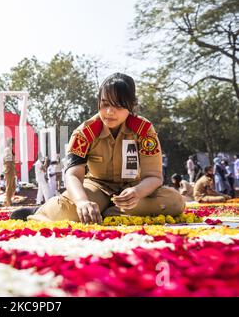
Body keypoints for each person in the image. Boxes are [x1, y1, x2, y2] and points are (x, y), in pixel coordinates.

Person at [11, 72, 184, 223]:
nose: (109, 112)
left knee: (175, 202)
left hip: (133, 190)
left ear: (131, 106)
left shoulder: (144, 130)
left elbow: (154, 177)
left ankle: (108, 213)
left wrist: (137, 192)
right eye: (105, 104)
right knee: (66, 211)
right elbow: (72, 175)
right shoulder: (85, 131)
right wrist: (81, 202)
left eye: (118, 105)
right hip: (96, 188)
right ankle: (41, 212)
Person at [3, 138, 17, 206]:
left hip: (12, 170)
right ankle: (8, 202)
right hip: (9, 170)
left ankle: (7, 200)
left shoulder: (10, 150)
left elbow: (11, 160)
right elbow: (7, 160)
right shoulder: (7, 150)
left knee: (13, 186)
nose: (14, 144)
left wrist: (15, 162)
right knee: (9, 186)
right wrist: (9, 168)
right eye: (13, 143)